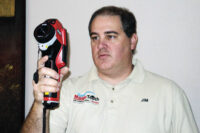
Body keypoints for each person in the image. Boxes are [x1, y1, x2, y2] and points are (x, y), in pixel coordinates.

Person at [21, 6, 199, 133]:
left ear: (132, 40)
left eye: (111, 36)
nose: (101, 45)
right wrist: (39, 104)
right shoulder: (67, 90)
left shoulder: (169, 93)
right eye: (95, 37)